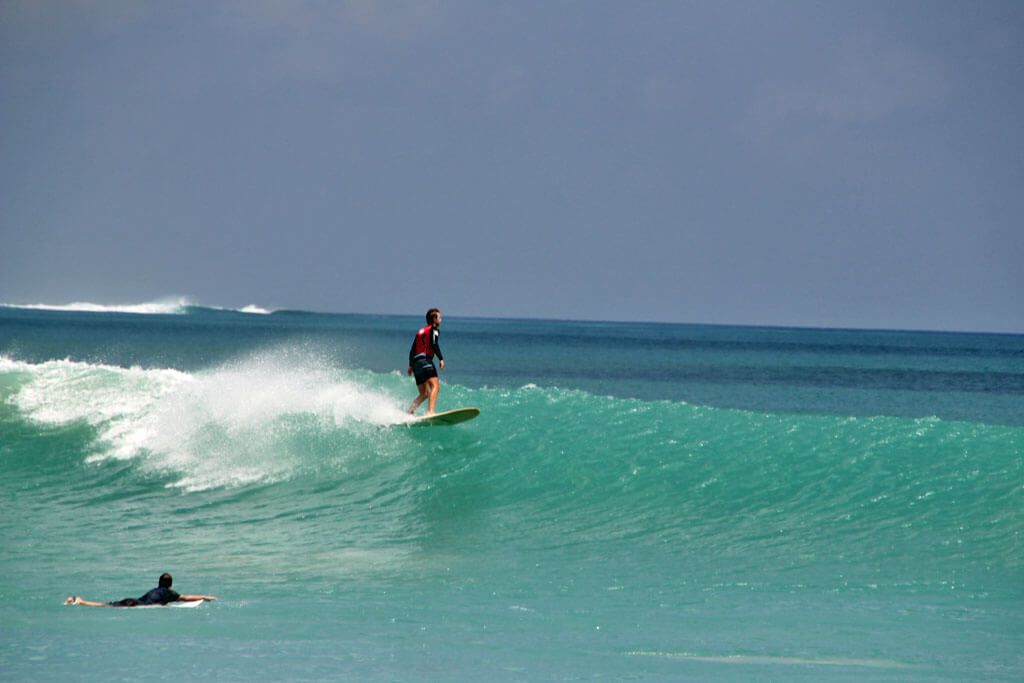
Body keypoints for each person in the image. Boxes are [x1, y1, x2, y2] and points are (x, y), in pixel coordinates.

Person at [64, 573, 217, 607]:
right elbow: (185, 597)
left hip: (132, 600)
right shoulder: (169, 593)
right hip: (134, 605)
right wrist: (203, 596)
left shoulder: (155, 590)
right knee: (106, 606)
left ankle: (79, 600)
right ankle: (80, 601)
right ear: (170, 584)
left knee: (106, 605)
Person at [407, 308, 445, 415]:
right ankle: (430, 411)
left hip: (416, 363)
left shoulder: (420, 331)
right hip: (425, 361)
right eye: (439, 317)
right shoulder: (434, 330)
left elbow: (413, 349)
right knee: (435, 387)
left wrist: (410, 365)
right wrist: (441, 358)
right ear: (434, 319)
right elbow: (434, 343)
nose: (441, 320)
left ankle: (409, 412)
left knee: (424, 393)